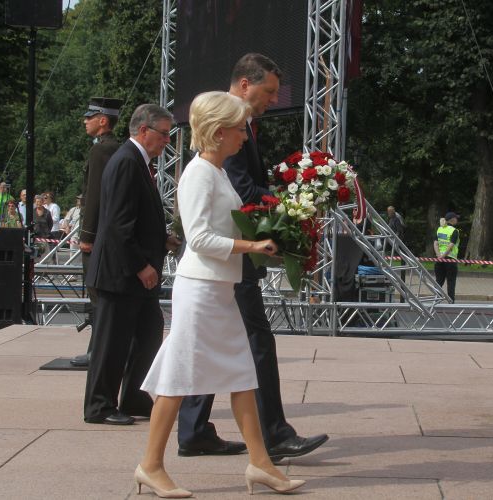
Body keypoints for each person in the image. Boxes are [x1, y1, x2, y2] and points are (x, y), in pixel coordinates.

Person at [136, 91, 304, 498]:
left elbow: (220, 229)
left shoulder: (215, 171)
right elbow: (198, 238)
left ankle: (260, 463)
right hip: (201, 290)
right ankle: (150, 465)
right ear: (218, 131)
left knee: (242, 374)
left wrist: (261, 237)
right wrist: (254, 245)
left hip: (216, 288)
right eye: (239, 129)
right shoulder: (200, 173)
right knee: (179, 378)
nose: (245, 136)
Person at [178, 53, 329, 461]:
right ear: (245, 84)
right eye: (269, 91)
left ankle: (195, 431)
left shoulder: (236, 127)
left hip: (224, 266)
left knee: (214, 346)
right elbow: (241, 194)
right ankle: (272, 436)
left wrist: (288, 197)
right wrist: (290, 204)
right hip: (223, 264)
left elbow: (241, 189)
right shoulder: (226, 127)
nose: (273, 100)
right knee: (254, 342)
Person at [83, 103, 181, 426]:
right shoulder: (127, 161)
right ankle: (100, 405)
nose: (167, 140)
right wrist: (141, 265)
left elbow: (135, 218)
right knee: (111, 342)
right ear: (143, 130)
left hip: (132, 273)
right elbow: (117, 223)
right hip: (121, 273)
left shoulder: (136, 161)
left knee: (149, 331)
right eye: (163, 133)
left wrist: (162, 239)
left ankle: (135, 396)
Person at [71, 97, 123, 368]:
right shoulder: (114, 147)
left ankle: (98, 351)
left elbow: (94, 196)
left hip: (98, 233)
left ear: (103, 120)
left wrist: (87, 235)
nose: (85, 121)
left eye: (90, 117)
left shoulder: (101, 150)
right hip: (108, 232)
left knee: (97, 294)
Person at [433, 212, 460, 302]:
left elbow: (435, 243)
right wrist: (444, 256)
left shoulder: (439, 229)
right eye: (456, 218)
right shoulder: (454, 231)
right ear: (452, 219)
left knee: (438, 281)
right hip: (450, 259)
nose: (457, 220)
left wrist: (439, 256)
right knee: (451, 282)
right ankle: (451, 301)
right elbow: (451, 246)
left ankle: (436, 300)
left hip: (439, 259)